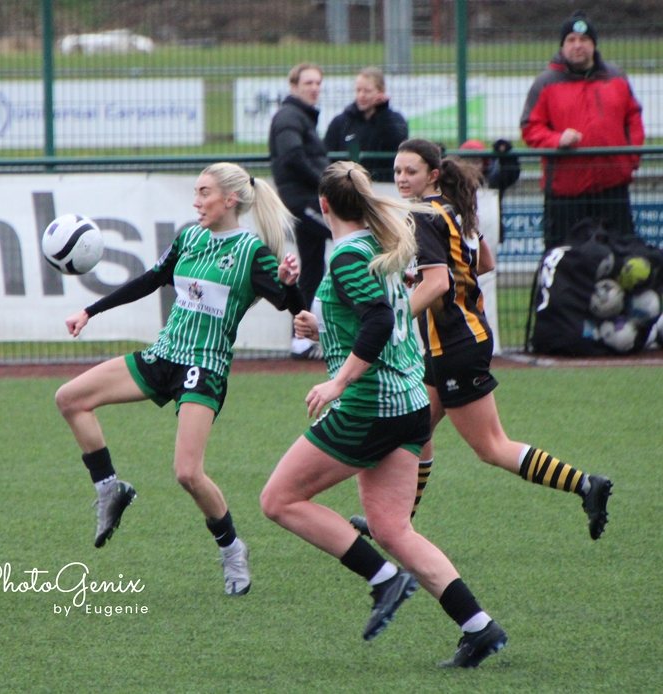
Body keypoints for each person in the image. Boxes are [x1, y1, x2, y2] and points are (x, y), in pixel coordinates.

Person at [260, 161, 507, 668]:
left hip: (371, 405)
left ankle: (384, 578)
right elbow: (378, 317)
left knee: (279, 500)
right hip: (410, 403)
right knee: (394, 530)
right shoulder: (379, 245)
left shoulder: (348, 255)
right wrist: (318, 324)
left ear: (324, 205)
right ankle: (479, 627)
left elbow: (376, 320)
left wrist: (338, 381)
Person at [55, 163, 303, 596]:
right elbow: (150, 280)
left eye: (204, 193)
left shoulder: (252, 253)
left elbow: (291, 307)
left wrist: (289, 285)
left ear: (230, 199)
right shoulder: (190, 238)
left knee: (188, 474)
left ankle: (232, 549)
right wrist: (89, 312)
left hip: (204, 368)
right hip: (163, 355)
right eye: (195, 192)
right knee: (70, 398)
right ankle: (109, 489)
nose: (196, 201)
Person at [353, 138, 612, 542]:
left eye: (411, 171)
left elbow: (438, 284)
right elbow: (483, 262)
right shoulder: (451, 208)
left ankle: (585, 485)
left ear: (432, 175)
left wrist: (395, 319)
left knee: (491, 446)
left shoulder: (423, 215)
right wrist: (430, 277)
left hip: (456, 344)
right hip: (453, 342)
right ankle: (393, 523)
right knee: (415, 432)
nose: (401, 178)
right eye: (398, 171)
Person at [521, 10, 644, 248]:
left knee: (621, 256)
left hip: (612, 190)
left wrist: (629, 160)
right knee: (565, 258)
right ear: (562, 46)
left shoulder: (616, 78)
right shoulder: (545, 83)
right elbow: (530, 127)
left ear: (594, 44)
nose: (578, 45)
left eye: (584, 39)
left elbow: (634, 119)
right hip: (566, 194)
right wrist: (556, 140)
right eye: (571, 40)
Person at [268, 62, 331, 359]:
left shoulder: (300, 116)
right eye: (308, 83)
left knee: (314, 267)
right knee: (353, 239)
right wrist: (326, 184)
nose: (314, 88)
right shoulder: (289, 116)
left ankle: (301, 340)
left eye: (318, 83)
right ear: (293, 86)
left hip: (307, 200)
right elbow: (292, 157)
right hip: (303, 201)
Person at [323, 67, 409, 183]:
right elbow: (327, 155)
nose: (361, 95)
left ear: (381, 92)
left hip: (384, 184)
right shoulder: (341, 122)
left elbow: (397, 143)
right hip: (347, 186)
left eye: (367, 91)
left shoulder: (394, 120)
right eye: (358, 90)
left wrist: (382, 112)